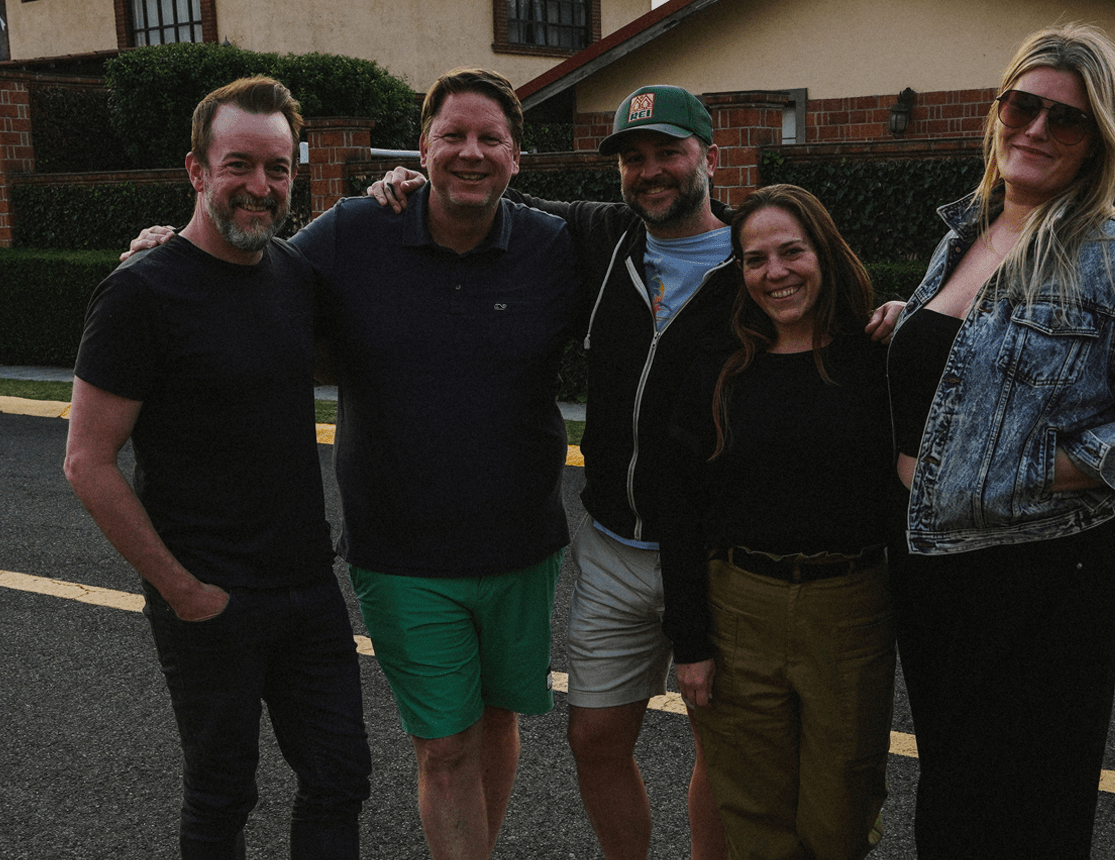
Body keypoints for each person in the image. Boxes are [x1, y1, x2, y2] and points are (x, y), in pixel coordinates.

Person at [367, 85, 900, 860]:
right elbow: (490, 192)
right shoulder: (599, 236)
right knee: (594, 738)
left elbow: (833, 315)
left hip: (716, 556)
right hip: (614, 544)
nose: (651, 171)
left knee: (724, 746)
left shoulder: (755, 260)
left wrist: (902, 314)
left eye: (668, 153)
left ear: (709, 156)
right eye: (633, 157)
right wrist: (414, 180)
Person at [126, 68, 580, 860]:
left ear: (517, 156)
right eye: (452, 136)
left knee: (498, 719)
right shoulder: (356, 231)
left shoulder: (553, 245)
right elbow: (247, 268)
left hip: (523, 546)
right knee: (445, 743)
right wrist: (168, 253)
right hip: (403, 554)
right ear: (422, 148)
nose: (470, 152)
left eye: (490, 139)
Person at [884, 25, 1115, 858]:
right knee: (951, 804)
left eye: (1064, 118)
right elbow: (974, 364)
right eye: (1022, 106)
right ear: (998, 111)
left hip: (1041, 579)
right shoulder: (963, 235)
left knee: (1020, 819)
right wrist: (907, 326)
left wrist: (1023, 468)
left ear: (1096, 139)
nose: (1035, 129)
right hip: (931, 569)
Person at [63, 76, 371, 859]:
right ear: (197, 170)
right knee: (222, 794)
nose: (260, 186)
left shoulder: (294, 276)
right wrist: (183, 592)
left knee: (340, 778)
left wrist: (399, 187)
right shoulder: (139, 293)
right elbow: (88, 462)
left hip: (307, 588)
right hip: (209, 599)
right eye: (239, 165)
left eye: (278, 168)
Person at [656, 184, 900, 860]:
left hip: (850, 613)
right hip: (740, 612)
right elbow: (680, 510)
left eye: (791, 252)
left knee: (839, 820)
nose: (776, 273)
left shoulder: (877, 360)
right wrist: (690, 642)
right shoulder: (717, 370)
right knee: (754, 821)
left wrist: (916, 318)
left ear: (824, 252)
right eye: (755, 259)